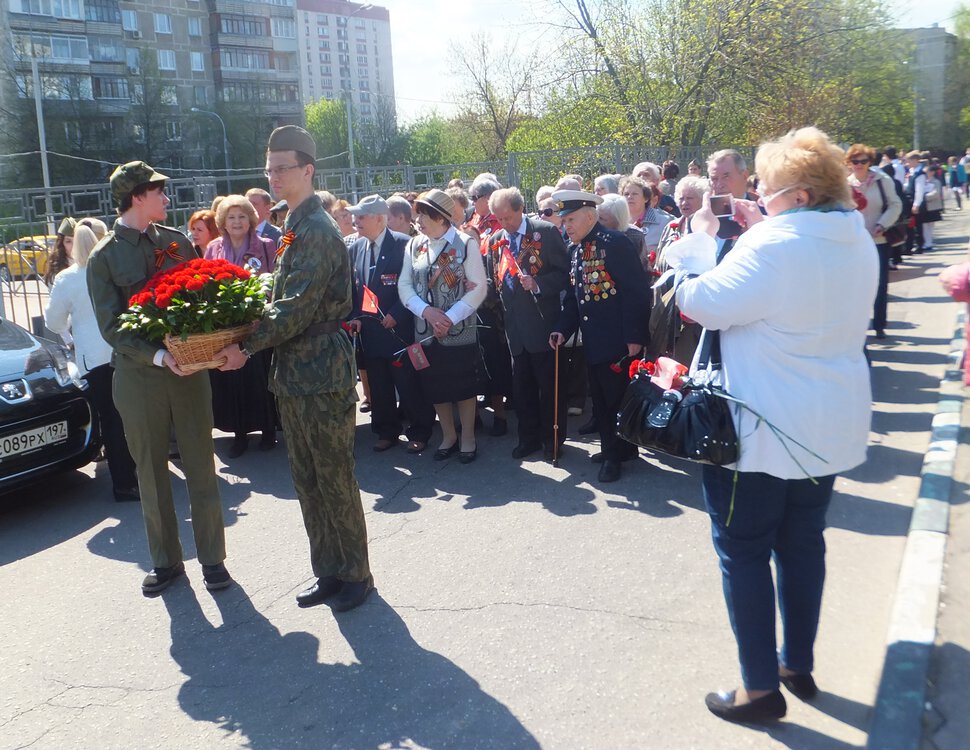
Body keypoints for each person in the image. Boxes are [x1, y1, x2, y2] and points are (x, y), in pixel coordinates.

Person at [668, 126, 877, 724]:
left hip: (760, 430)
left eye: (769, 188)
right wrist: (763, 225)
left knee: (743, 551)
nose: (760, 195)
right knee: (804, 543)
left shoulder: (774, 245)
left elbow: (699, 301)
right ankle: (796, 661)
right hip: (826, 424)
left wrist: (698, 242)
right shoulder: (854, 239)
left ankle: (760, 689)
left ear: (802, 195)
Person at [215, 125, 373, 613]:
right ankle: (328, 568)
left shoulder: (318, 230)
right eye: (269, 169)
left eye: (283, 168)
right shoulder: (294, 227)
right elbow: (279, 296)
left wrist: (245, 344)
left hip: (321, 374)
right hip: (296, 374)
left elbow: (296, 308)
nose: (274, 176)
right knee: (306, 478)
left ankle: (355, 574)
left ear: (307, 170)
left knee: (334, 478)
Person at [87, 160, 230, 595]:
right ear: (136, 197)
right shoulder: (104, 257)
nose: (166, 199)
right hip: (140, 376)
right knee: (150, 471)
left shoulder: (176, 241)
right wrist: (157, 355)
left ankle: (213, 560)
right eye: (158, 192)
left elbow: (202, 295)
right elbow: (112, 327)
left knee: (201, 465)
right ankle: (167, 561)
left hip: (188, 372)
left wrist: (209, 344)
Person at [548, 190, 650, 483]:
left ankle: (614, 455)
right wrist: (561, 329)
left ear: (590, 216)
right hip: (593, 340)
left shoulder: (614, 243)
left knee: (614, 400)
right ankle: (619, 449)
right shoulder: (576, 250)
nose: (566, 226)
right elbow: (575, 300)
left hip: (618, 339)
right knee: (603, 399)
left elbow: (636, 292)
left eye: (571, 219)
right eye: (564, 220)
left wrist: (634, 336)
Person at [45, 224, 138, 503]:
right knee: (133, 415)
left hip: (93, 358)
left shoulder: (66, 279)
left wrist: (75, 322)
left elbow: (54, 322)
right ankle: (143, 474)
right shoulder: (113, 268)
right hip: (125, 349)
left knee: (111, 420)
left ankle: (123, 484)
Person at [397, 189, 487, 464]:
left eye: (424, 215)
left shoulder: (464, 244)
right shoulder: (414, 245)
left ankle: (468, 437)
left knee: (462, 385)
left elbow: (478, 288)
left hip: (459, 330)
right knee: (434, 385)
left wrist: (449, 317)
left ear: (441, 218)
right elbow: (405, 285)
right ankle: (448, 435)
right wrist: (426, 312)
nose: (419, 221)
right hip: (426, 331)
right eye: (418, 215)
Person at [486, 187, 570, 460]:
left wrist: (538, 284)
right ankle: (528, 438)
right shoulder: (498, 239)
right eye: (499, 219)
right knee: (522, 390)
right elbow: (495, 280)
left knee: (549, 388)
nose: (504, 224)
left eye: (508, 217)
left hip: (543, 325)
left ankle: (552, 439)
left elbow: (564, 274)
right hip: (514, 329)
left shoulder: (544, 232)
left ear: (520, 209)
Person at [346, 194, 435, 454]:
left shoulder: (404, 244)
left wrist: (398, 313)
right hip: (371, 330)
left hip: (400, 330)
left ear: (378, 218)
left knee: (408, 384)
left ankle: (420, 430)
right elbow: (356, 290)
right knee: (379, 385)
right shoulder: (356, 248)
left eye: (361, 216)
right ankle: (386, 431)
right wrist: (354, 316)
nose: (356, 221)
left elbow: (417, 286)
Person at [204, 194, 278, 456]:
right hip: (227, 328)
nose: (237, 222)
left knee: (260, 378)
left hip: (258, 326)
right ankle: (240, 434)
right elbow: (207, 285)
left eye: (242, 216)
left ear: (251, 219)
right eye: (231, 217)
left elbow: (275, 283)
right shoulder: (213, 248)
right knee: (233, 380)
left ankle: (269, 430)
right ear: (223, 221)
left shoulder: (267, 245)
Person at [648, 175, 710, 364]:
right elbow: (659, 265)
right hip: (667, 307)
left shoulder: (708, 229)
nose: (684, 203)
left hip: (694, 312)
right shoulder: (672, 227)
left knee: (687, 360)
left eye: (690, 198)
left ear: (703, 200)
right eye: (681, 198)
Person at [468, 174, 512, 435]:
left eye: (476, 198)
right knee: (471, 366)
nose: (473, 203)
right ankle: (472, 416)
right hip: (468, 312)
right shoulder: (474, 223)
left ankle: (500, 414)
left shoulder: (497, 228)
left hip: (491, 308)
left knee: (496, 364)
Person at [846, 143, 901, 339]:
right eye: (855, 161)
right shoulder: (845, 183)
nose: (859, 165)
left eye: (864, 161)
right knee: (855, 284)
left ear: (870, 162)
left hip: (879, 239)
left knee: (879, 283)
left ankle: (879, 324)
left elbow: (895, 205)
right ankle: (859, 324)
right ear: (849, 162)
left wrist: (882, 224)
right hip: (855, 241)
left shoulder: (881, 180)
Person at [597, 193, 648, 273]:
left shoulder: (635, 236)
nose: (597, 222)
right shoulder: (590, 233)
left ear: (618, 221)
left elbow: (642, 269)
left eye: (601, 219)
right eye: (596, 216)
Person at [620, 176, 666, 253]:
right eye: (626, 194)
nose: (630, 197)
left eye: (635, 194)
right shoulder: (616, 222)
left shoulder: (664, 222)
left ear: (646, 198)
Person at [912, 161, 944, 252]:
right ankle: (927, 242)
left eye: (927, 172)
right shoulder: (924, 181)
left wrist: (924, 196)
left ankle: (928, 242)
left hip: (932, 206)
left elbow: (936, 193)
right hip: (925, 207)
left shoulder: (936, 181)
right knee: (925, 226)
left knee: (930, 226)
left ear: (932, 172)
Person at [44, 217, 75, 286]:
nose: (74, 245)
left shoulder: (87, 261)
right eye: (68, 241)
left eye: (76, 240)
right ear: (61, 244)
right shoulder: (56, 267)